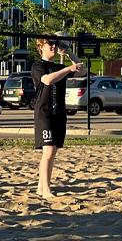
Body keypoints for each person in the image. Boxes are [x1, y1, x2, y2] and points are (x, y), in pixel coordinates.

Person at [31, 35, 86, 201]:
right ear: (41, 47)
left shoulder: (59, 66)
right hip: (44, 114)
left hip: (59, 113)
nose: (53, 47)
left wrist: (68, 52)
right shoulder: (38, 66)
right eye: (50, 44)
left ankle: (41, 188)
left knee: (52, 152)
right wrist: (68, 69)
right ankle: (47, 190)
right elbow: (47, 80)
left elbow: (82, 71)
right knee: (47, 151)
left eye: (55, 44)